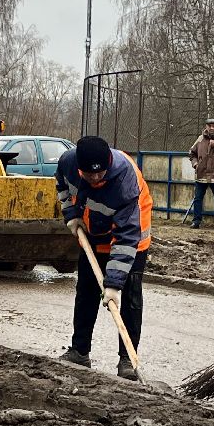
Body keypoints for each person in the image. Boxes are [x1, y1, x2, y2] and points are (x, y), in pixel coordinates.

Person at [54, 135, 153, 381]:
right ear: (79, 168)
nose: (96, 178)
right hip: (93, 234)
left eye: (100, 173)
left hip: (131, 238)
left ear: (108, 162)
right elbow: (62, 186)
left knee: (128, 300)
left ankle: (127, 361)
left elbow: (127, 235)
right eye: (89, 175)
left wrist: (114, 284)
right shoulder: (68, 162)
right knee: (86, 291)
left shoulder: (124, 180)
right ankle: (79, 352)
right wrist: (71, 215)